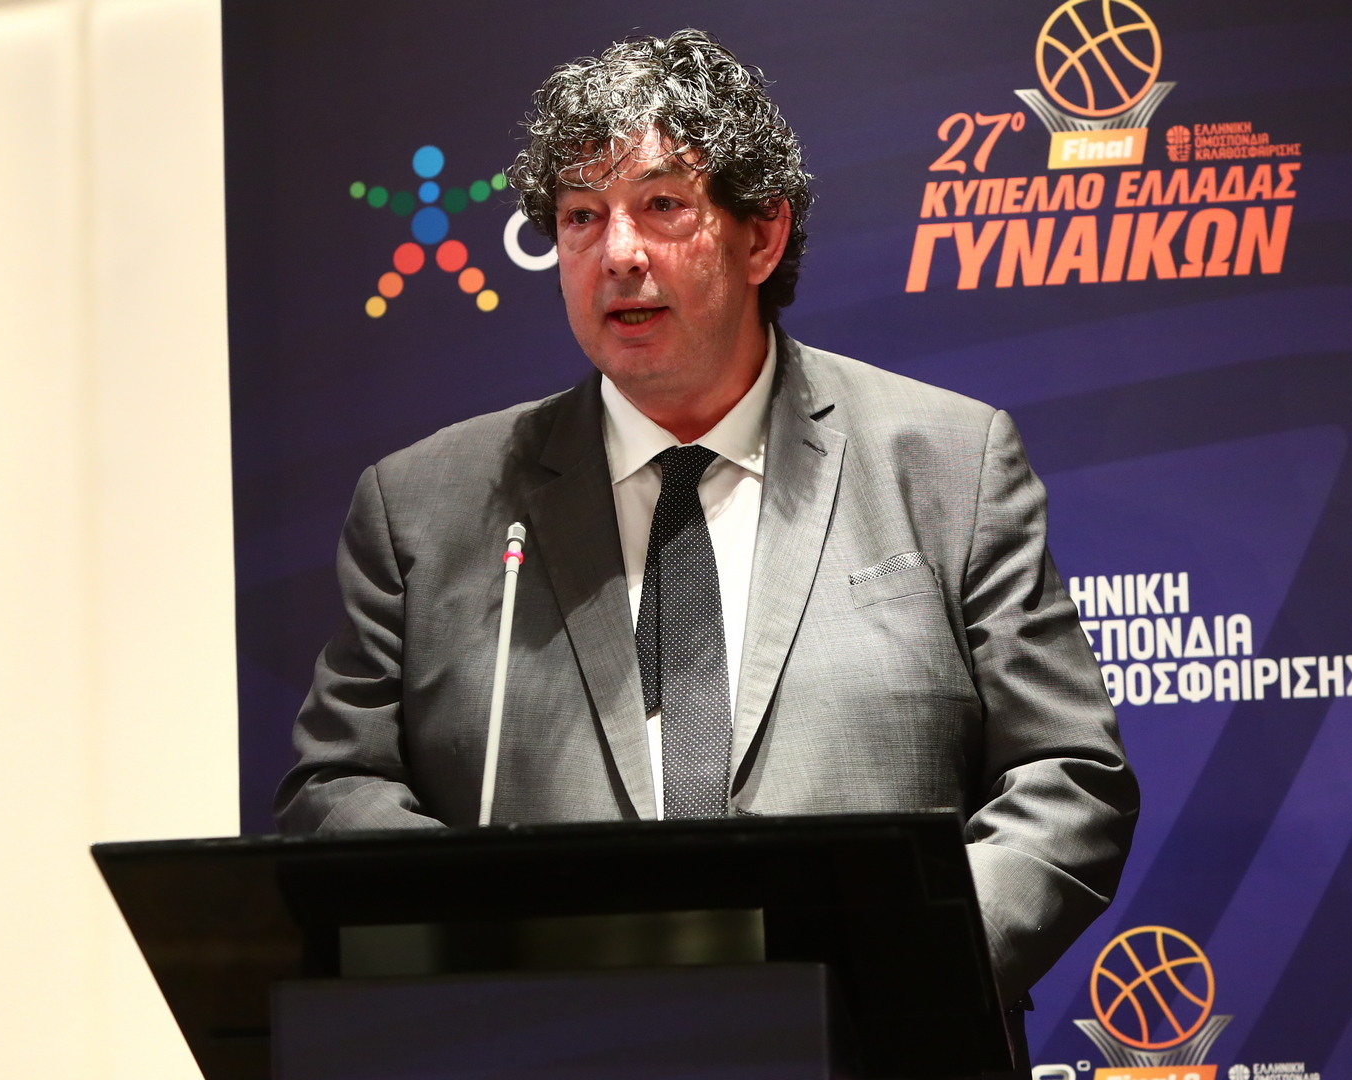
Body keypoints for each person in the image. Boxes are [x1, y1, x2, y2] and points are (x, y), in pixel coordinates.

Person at [275, 27, 1137, 1027]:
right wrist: (492, 953)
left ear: (761, 236)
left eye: (662, 206)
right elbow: (337, 789)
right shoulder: (424, 505)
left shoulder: (948, 462)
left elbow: (1068, 776)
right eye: (582, 216)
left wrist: (906, 970)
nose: (618, 254)